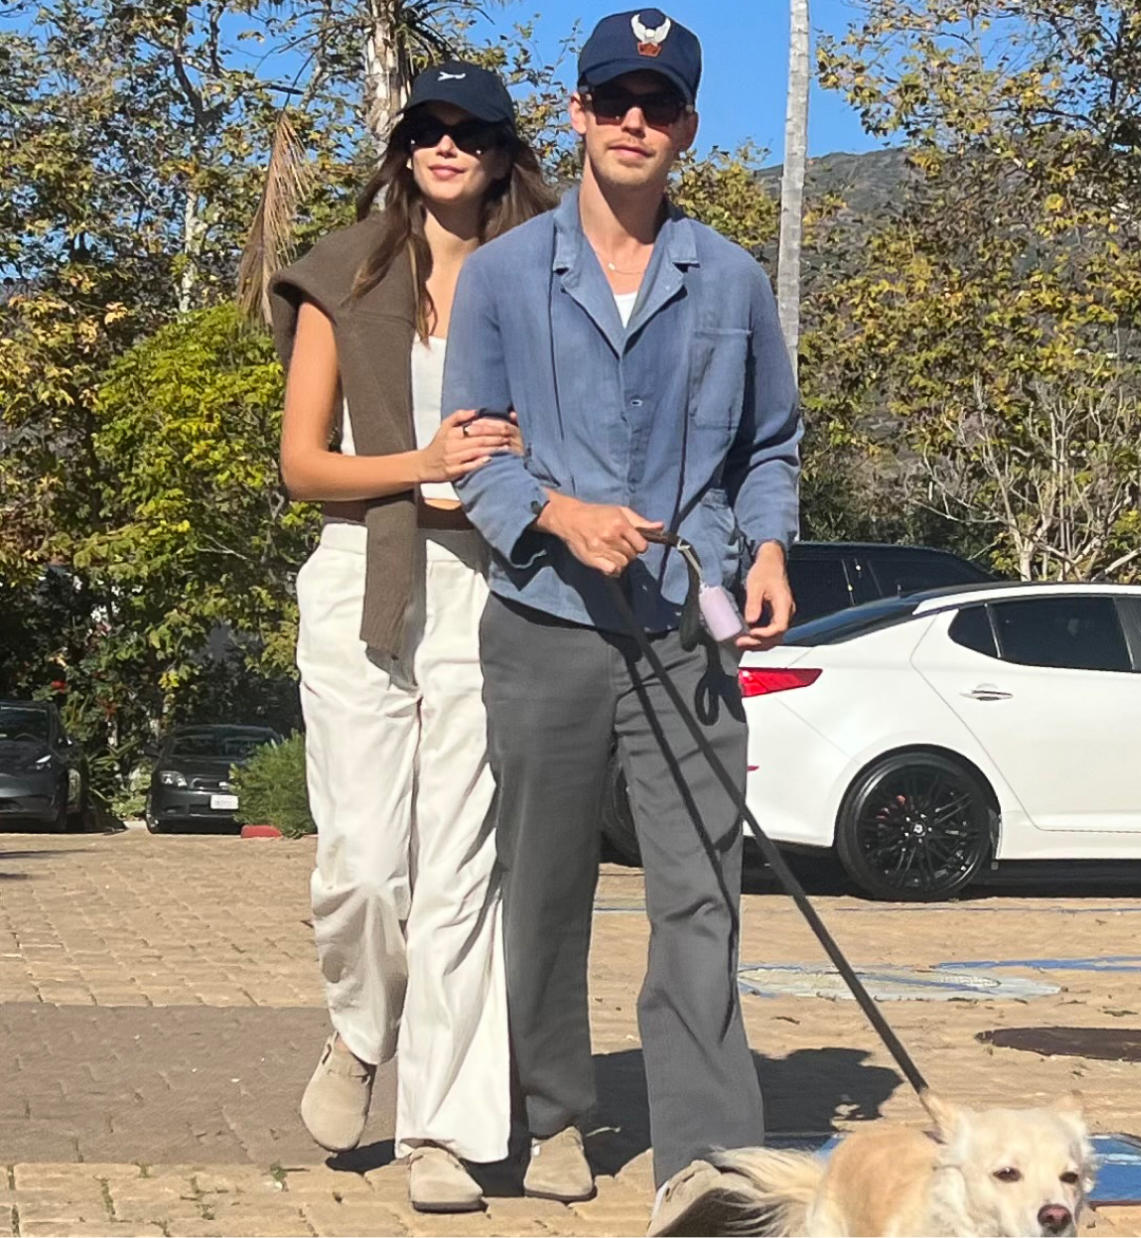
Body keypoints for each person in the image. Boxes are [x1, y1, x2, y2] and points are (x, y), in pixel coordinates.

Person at [441, 9, 802, 1231]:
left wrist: (766, 547)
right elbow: (474, 454)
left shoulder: (736, 279)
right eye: (615, 100)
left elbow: (770, 447)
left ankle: (705, 1163)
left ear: (687, 127)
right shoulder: (499, 277)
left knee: (699, 890)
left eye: (661, 103)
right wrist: (553, 512)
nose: (636, 120)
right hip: (540, 620)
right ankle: (550, 1109)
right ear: (580, 117)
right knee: (539, 886)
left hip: (686, 629)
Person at [268, 63, 555, 1214]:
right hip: (360, 570)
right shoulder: (349, 267)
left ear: (500, 149)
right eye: (427, 128)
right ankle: (359, 1033)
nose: (448, 145)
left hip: (491, 581)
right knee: (363, 872)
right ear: (403, 145)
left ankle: (442, 1131)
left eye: (471, 129)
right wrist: (423, 466)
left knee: (460, 878)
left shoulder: (542, 272)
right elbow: (302, 465)